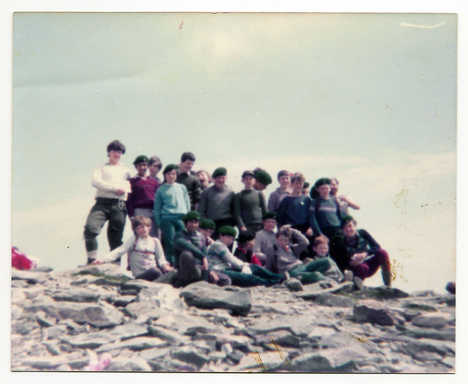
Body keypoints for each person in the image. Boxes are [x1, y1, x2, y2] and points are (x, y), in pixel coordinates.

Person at [83, 140, 132, 264]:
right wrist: (114, 188)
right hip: (101, 203)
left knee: (115, 237)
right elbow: (96, 182)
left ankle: (114, 265)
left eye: (120, 152)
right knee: (90, 228)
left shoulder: (126, 170)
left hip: (119, 205)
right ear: (109, 152)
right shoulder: (101, 168)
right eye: (114, 151)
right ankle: (92, 259)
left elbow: (130, 187)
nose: (117, 154)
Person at [93, 216, 174, 281]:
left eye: (146, 226)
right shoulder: (134, 239)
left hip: (153, 272)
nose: (144, 229)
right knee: (155, 271)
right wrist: (102, 260)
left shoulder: (155, 241)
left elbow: (161, 259)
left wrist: (166, 267)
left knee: (171, 274)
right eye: (140, 227)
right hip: (141, 275)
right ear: (135, 230)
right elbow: (120, 251)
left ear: (149, 227)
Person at [207, 226, 283, 287]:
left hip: (227, 268)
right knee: (248, 278)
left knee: (254, 267)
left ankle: (278, 277)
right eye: (229, 237)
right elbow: (231, 259)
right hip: (219, 271)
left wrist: (246, 265)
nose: (231, 240)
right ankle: (274, 282)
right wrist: (244, 265)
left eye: (233, 238)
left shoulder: (222, 245)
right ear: (221, 236)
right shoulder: (218, 245)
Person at [173, 211, 230, 287]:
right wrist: (203, 257)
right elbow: (188, 246)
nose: (193, 225)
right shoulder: (179, 235)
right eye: (191, 222)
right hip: (185, 270)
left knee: (225, 279)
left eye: (195, 222)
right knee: (187, 255)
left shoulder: (201, 237)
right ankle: (184, 283)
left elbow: (206, 256)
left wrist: (210, 271)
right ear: (186, 223)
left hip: (201, 268)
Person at [334, 216, 392, 288]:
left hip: (366, 261)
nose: (348, 229)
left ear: (355, 226)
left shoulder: (363, 233)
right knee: (362, 267)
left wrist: (365, 253)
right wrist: (350, 262)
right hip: (354, 267)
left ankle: (388, 285)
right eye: (345, 228)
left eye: (350, 226)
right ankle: (356, 285)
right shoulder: (339, 240)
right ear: (342, 230)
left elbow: (376, 246)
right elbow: (339, 259)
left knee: (383, 253)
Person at [266, 226, 332, 284]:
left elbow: (305, 242)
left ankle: (311, 277)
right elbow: (269, 265)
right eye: (280, 240)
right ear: (276, 239)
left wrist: (293, 231)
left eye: (285, 240)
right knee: (315, 275)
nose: (283, 242)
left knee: (326, 261)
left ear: (288, 241)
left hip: (301, 266)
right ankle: (326, 280)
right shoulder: (273, 250)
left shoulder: (292, 248)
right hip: (291, 272)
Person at [153, 164, 190, 266]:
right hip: (167, 218)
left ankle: (181, 265)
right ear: (165, 175)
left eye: (173, 174)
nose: (171, 176)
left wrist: (188, 218)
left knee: (182, 242)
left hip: (181, 218)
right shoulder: (161, 189)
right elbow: (157, 208)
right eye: (169, 174)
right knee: (170, 243)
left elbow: (187, 203)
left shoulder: (182, 187)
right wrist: (159, 222)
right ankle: (171, 265)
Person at [126, 155, 160, 236]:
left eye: (144, 165)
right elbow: (128, 200)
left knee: (154, 237)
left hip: (153, 212)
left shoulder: (154, 182)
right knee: (140, 237)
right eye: (140, 165)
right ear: (136, 167)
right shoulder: (131, 181)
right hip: (139, 212)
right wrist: (131, 215)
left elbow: (159, 198)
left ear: (148, 166)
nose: (142, 167)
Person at [198, 167, 236, 237]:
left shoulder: (231, 192)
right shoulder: (206, 192)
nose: (221, 180)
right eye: (218, 178)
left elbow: (235, 210)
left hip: (227, 224)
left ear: (226, 178)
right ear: (214, 179)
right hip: (211, 225)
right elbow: (201, 211)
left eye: (223, 178)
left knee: (226, 247)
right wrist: (204, 225)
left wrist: (232, 223)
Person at [277, 172, 314, 240]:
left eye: (300, 183)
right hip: (291, 231)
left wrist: (310, 228)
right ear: (291, 184)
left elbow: (311, 216)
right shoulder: (286, 200)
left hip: (305, 231)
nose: (298, 185)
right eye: (296, 183)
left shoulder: (307, 199)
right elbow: (280, 218)